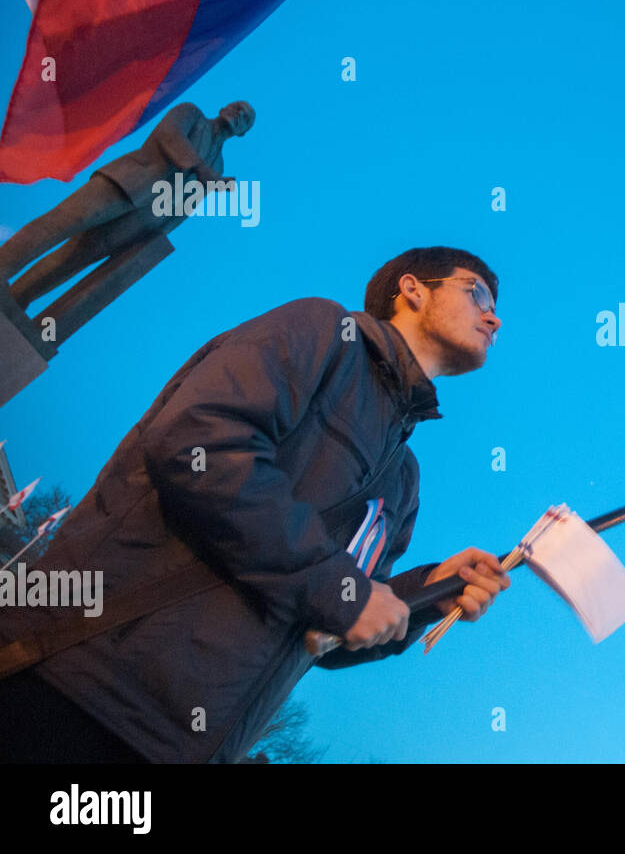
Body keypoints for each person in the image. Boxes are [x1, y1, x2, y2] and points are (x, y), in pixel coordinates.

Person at [0, 246, 509, 763]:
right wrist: (338, 589)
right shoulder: (325, 333)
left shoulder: (404, 480)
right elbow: (198, 445)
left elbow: (325, 627)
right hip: (74, 690)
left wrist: (424, 593)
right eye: (477, 292)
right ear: (413, 289)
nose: (495, 316)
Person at [0, 101, 254, 310]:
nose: (239, 114)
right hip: (128, 182)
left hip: (143, 220)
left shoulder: (218, 167)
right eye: (238, 107)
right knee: (59, 223)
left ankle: (18, 299)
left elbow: (187, 207)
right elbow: (169, 134)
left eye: (246, 117)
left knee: (75, 258)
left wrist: (158, 234)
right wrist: (200, 169)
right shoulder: (192, 114)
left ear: (243, 133)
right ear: (224, 107)